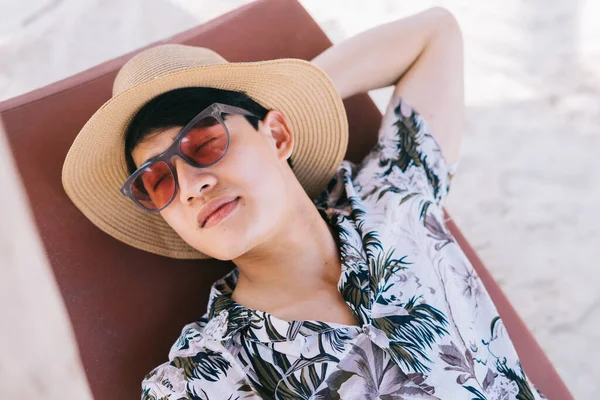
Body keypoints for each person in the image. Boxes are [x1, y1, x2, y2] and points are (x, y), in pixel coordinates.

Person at [62, 7, 546, 400]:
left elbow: (435, 34)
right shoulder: (203, 377)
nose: (190, 186)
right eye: (158, 181)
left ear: (277, 134)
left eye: (205, 143)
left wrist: (295, 96)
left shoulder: (388, 198)